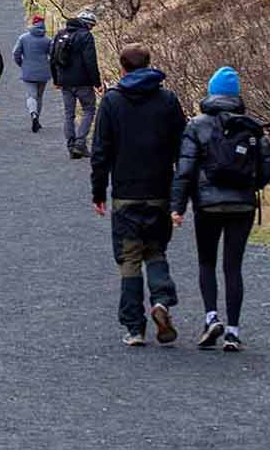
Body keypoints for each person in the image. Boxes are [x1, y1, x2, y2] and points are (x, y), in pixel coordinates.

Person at [171, 67, 270, 353]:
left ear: (211, 92)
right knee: (233, 267)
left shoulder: (196, 125)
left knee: (207, 262)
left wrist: (178, 207)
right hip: (242, 205)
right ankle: (233, 331)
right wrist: (251, 185)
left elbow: (184, 170)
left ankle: (211, 318)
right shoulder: (250, 126)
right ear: (236, 95)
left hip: (207, 205)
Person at [91, 44, 188, 347]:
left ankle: (134, 327)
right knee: (156, 250)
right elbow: (182, 147)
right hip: (159, 190)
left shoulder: (112, 102)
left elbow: (101, 151)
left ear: (122, 67)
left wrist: (98, 190)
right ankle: (161, 300)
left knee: (129, 258)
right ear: (149, 64)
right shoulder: (167, 100)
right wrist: (179, 192)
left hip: (126, 192)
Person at [51, 9, 102, 159]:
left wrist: (56, 80)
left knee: (69, 114)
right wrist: (97, 83)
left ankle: (71, 146)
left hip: (64, 82)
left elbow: (53, 58)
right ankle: (80, 143)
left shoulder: (61, 34)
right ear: (87, 24)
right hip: (83, 82)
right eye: (91, 26)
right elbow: (90, 61)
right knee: (89, 109)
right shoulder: (86, 36)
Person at [12, 15, 53, 132]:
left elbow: (16, 53)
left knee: (31, 95)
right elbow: (53, 55)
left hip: (28, 71)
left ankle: (33, 113)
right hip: (43, 72)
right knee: (39, 97)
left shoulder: (23, 38)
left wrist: (21, 64)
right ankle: (37, 119)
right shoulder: (48, 40)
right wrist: (48, 64)